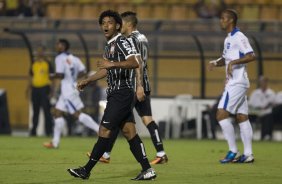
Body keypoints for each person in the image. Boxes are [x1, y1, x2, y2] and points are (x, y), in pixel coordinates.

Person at [67, 10, 156, 181]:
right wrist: (88, 80)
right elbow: (105, 70)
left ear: (117, 26)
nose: (106, 25)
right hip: (117, 93)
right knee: (129, 132)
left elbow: (134, 62)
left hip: (122, 92)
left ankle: (86, 170)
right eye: (103, 23)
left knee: (104, 130)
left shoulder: (122, 41)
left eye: (110, 22)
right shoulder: (109, 45)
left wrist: (112, 64)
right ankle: (148, 170)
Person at [93, 11, 168, 165]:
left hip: (133, 85)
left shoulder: (130, 39)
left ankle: (105, 153)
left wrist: (138, 85)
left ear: (127, 24)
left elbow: (137, 62)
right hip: (144, 83)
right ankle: (161, 152)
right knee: (147, 119)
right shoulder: (143, 38)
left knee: (116, 117)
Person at [207, 9, 256, 163]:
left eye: (223, 18)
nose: (220, 21)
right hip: (238, 82)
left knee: (221, 114)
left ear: (230, 21)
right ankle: (248, 154)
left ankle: (233, 151)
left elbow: (251, 55)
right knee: (242, 117)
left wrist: (234, 63)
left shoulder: (239, 36)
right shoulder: (228, 38)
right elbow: (226, 58)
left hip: (237, 82)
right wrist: (215, 63)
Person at [43, 39, 99, 148]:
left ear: (63, 46)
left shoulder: (60, 58)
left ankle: (99, 129)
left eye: (58, 44)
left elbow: (61, 75)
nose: (56, 46)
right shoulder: (75, 59)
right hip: (70, 88)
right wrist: (73, 78)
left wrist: (51, 76)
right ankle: (55, 142)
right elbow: (83, 71)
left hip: (67, 90)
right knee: (57, 112)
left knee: (77, 114)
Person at [26, 45, 53, 136]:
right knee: (35, 111)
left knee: (46, 111)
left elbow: (52, 78)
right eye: (38, 51)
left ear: (44, 52)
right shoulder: (34, 63)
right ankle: (33, 131)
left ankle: (48, 131)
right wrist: (28, 89)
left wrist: (52, 92)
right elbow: (30, 76)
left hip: (45, 89)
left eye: (41, 51)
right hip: (35, 89)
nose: (39, 53)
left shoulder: (48, 63)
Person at [249, 76, 276, 141]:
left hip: (266, 112)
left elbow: (273, 103)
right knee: (247, 117)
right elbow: (250, 103)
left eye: (264, 82)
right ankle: (249, 135)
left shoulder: (271, 93)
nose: (263, 83)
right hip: (255, 112)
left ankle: (266, 135)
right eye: (262, 82)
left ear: (267, 83)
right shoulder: (255, 92)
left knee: (269, 116)